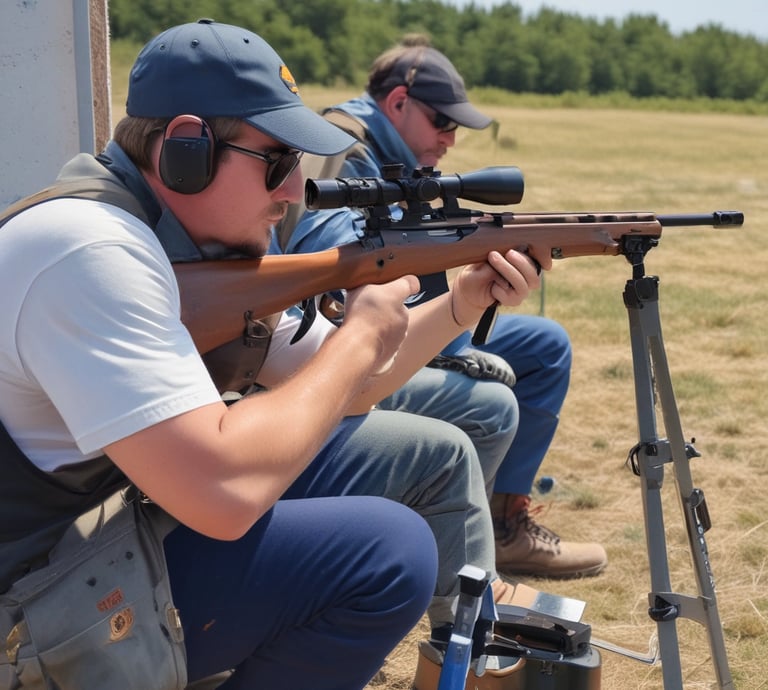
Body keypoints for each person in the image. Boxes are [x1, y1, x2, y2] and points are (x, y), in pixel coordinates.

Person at [0, 20, 548, 689]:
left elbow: (355, 387)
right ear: (186, 148)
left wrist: (461, 302)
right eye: (277, 162)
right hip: (27, 594)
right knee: (390, 551)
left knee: (427, 454)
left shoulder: (189, 247)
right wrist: (359, 338)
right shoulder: (90, 250)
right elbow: (224, 495)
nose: (293, 192)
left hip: (103, 529)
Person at [275, 36, 608, 579]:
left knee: (546, 346)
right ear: (398, 102)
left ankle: (503, 526)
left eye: (457, 126)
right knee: (492, 400)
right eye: (441, 121)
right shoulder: (342, 148)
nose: (451, 139)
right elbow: (333, 276)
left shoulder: (392, 156)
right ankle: (452, 564)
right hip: (333, 345)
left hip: (395, 325)